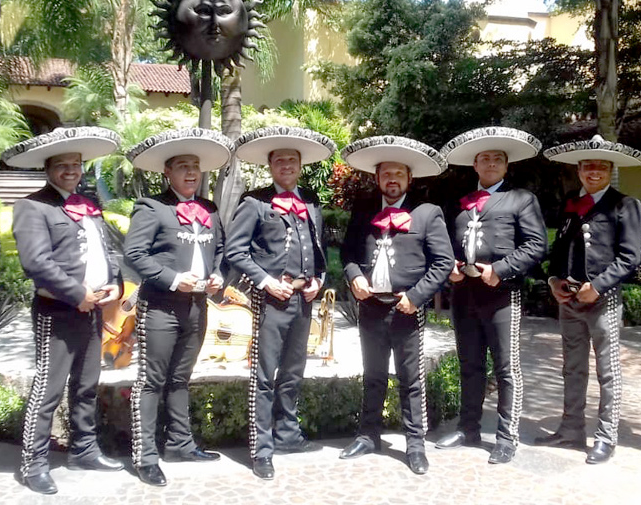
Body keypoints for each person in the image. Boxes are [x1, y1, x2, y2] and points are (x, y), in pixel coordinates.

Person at [2, 127, 126, 494]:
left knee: (87, 385)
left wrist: (116, 283)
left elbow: (107, 251)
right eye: (62, 165)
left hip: (93, 309)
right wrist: (77, 293)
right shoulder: (32, 206)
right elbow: (36, 262)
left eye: (76, 164)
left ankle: (84, 449)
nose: (71, 170)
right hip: (56, 310)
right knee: (48, 388)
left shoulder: (89, 206)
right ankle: (33, 462)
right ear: (48, 168)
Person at [224, 126, 336, 480]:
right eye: (280, 160)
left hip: (304, 300)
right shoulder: (255, 202)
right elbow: (235, 251)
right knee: (264, 375)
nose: (286, 165)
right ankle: (261, 449)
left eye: (292, 160)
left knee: (293, 371)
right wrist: (267, 282)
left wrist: (320, 279)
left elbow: (321, 249)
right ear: (270, 166)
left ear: (300, 166)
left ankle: (288, 433)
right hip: (271, 300)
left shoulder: (312, 200)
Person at [122, 128, 233, 487]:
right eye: (182, 167)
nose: (190, 173)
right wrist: (171, 278)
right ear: (167, 172)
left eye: (195, 168)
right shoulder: (152, 207)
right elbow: (134, 254)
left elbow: (222, 253)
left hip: (198, 306)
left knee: (181, 378)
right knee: (152, 380)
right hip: (160, 307)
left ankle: (180, 444)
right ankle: (145, 456)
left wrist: (218, 276)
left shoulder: (210, 210)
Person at [338, 136, 454, 475]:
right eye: (386, 173)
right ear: (377, 178)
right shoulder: (363, 210)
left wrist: (416, 296)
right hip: (371, 305)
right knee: (373, 375)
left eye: (398, 174)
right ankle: (368, 434)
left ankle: (414, 444)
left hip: (407, 307)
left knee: (411, 379)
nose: (392, 179)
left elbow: (443, 262)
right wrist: (354, 276)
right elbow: (348, 253)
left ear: (409, 178)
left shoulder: (427, 213)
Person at [434, 127, 547, 464]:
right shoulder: (460, 203)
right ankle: (468, 428)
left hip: (501, 293)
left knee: (506, 368)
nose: (491, 163)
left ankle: (506, 437)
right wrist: (449, 270)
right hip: (463, 294)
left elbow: (536, 245)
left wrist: (500, 269)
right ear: (475, 166)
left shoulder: (521, 199)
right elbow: (445, 248)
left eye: (498, 158)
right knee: (469, 364)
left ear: (506, 166)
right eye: (485, 158)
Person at [538, 135, 641, 464]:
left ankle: (606, 436)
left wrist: (598, 286)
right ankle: (571, 429)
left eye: (600, 166)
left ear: (610, 169)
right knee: (572, 368)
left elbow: (630, 258)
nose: (593, 171)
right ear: (579, 170)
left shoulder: (624, 205)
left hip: (603, 299)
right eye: (587, 166)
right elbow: (560, 249)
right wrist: (553, 280)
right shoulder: (571, 201)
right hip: (569, 299)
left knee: (608, 371)